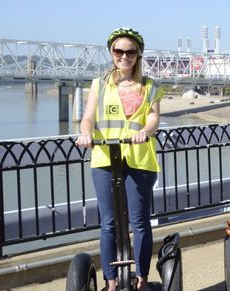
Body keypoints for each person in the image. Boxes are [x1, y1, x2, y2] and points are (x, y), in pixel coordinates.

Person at [76, 27, 163, 291]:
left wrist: (146, 132)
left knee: (139, 222)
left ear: (138, 55)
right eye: (118, 51)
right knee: (109, 223)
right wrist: (85, 133)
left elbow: (154, 117)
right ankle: (111, 282)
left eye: (130, 52)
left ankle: (141, 280)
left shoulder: (150, 86)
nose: (124, 56)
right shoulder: (99, 84)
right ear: (112, 53)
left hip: (139, 160)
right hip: (104, 159)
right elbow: (88, 117)